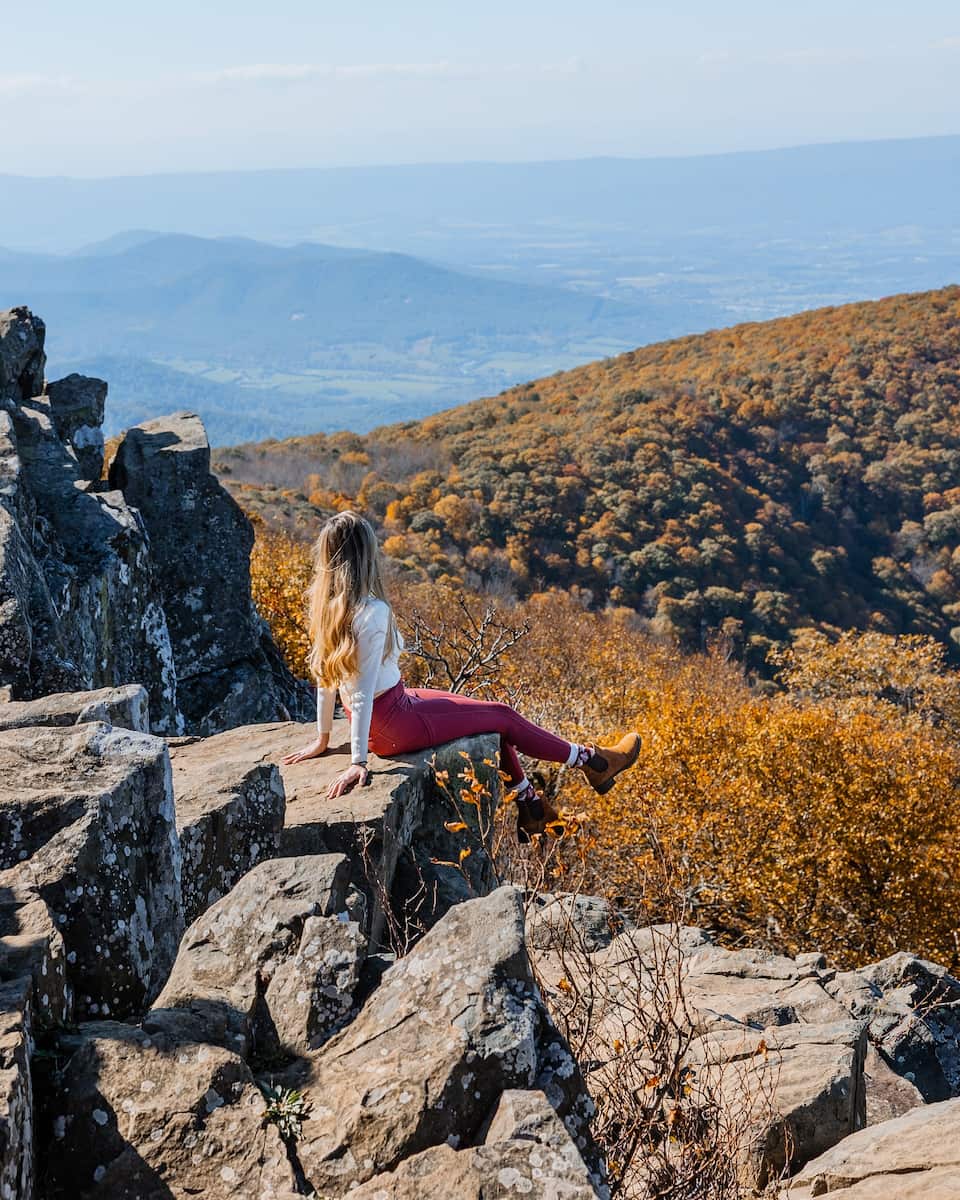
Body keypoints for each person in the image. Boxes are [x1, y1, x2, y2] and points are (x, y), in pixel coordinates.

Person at [282, 511, 641, 839]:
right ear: (366, 557)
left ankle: (532, 808)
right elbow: (358, 690)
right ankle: (592, 761)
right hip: (393, 720)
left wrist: (323, 737)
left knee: (485, 716)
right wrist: (357, 762)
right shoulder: (372, 612)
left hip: (387, 713)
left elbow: (326, 676)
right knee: (501, 715)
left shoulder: (326, 605)